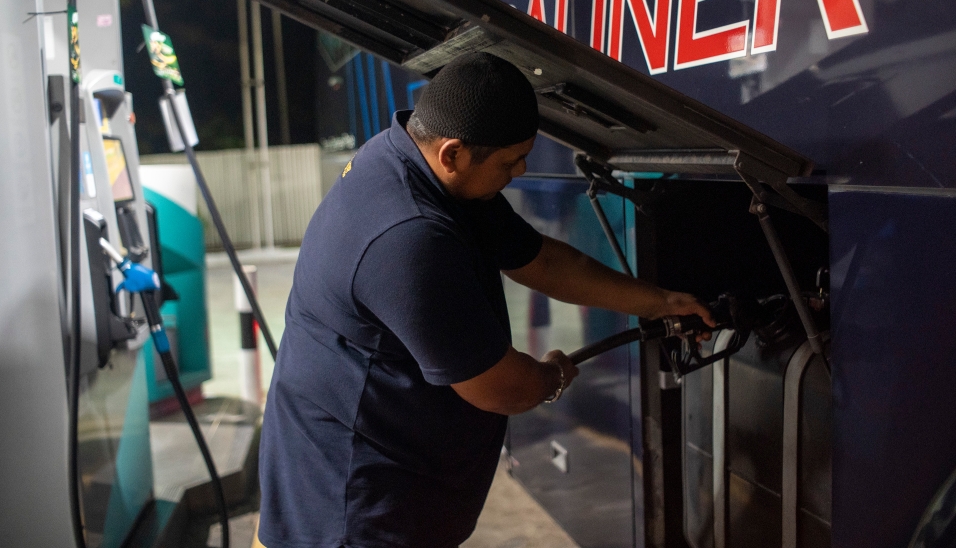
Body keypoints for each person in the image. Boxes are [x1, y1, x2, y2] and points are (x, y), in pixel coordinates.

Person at [258, 52, 713, 548]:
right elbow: (502, 388)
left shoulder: (419, 165)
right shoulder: (407, 235)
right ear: (453, 153)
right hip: (350, 510)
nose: (518, 172)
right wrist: (552, 375)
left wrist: (662, 302)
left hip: (367, 480)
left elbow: (543, 262)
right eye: (509, 161)